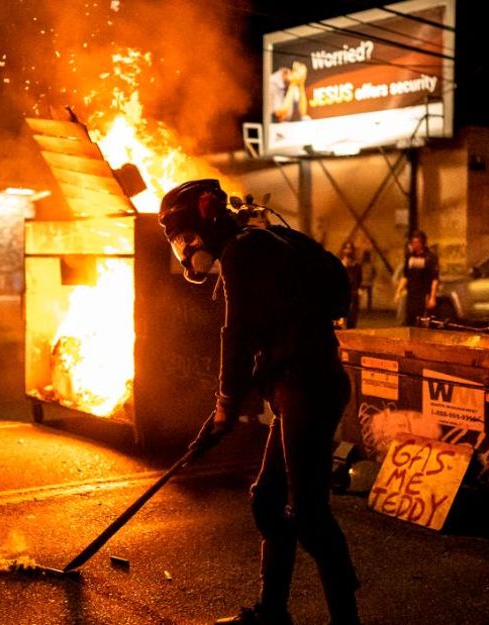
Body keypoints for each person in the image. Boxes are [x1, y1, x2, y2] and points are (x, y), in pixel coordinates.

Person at [158, 179, 361, 625]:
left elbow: (236, 334)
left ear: (208, 217)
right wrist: (230, 405)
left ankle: (348, 621)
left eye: (187, 238)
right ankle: (272, 613)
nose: (188, 251)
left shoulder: (242, 252)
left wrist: (226, 405)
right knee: (269, 499)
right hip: (300, 387)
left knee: (310, 514)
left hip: (307, 388)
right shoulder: (260, 243)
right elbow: (261, 335)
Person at [399, 230, 440, 326]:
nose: (414, 245)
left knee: (422, 321)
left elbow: (435, 278)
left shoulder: (430, 257)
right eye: (412, 242)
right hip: (412, 294)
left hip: (424, 294)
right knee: (409, 321)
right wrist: (399, 290)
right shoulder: (409, 256)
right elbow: (406, 275)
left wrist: (432, 297)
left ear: (422, 243)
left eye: (416, 242)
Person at [338, 241, 363, 329]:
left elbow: (359, 280)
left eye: (350, 248)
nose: (348, 251)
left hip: (353, 293)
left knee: (352, 317)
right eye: (346, 248)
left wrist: (359, 289)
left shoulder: (356, 266)